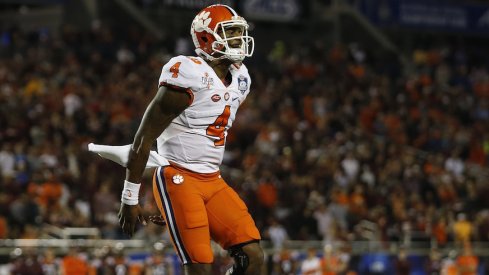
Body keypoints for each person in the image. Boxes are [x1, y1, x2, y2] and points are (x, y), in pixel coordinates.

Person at [90, 4, 263, 275]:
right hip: (178, 179)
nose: (239, 40)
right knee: (200, 268)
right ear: (206, 38)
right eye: (230, 33)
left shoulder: (241, 78)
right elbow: (143, 138)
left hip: (213, 179)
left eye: (239, 33)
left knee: (253, 257)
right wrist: (130, 197)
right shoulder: (189, 72)